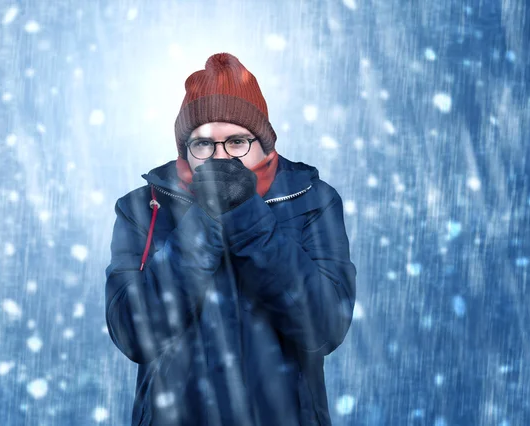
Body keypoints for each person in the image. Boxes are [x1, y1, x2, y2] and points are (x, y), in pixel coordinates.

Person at [104, 52, 357, 426]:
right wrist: (205, 218)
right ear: (185, 150)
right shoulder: (144, 207)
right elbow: (133, 334)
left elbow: (324, 327)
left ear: (264, 143)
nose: (221, 157)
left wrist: (244, 214)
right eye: (204, 144)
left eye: (237, 142)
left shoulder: (313, 199)